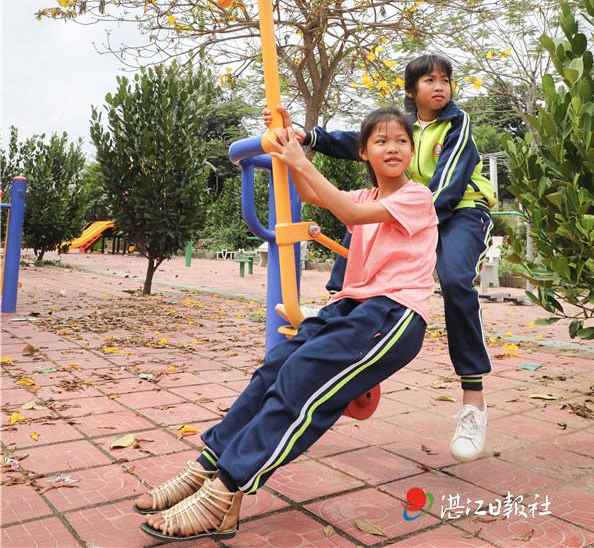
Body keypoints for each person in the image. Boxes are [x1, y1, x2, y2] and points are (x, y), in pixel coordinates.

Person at [137, 106, 438, 541]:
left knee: (301, 384)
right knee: (275, 368)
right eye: (381, 141)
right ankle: (206, 467)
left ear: (412, 150)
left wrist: (299, 157)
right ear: (363, 152)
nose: (393, 148)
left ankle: (224, 491)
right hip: (351, 306)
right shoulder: (365, 196)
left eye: (402, 141)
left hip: (392, 314)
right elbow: (313, 193)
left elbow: (348, 217)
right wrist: (289, 145)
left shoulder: (416, 196)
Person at [264, 53, 495, 463]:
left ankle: (473, 401)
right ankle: (343, 323)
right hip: (406, 208)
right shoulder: (400, 129)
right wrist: (305, 138)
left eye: (445, 80)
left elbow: (445, 188)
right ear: (411, 91)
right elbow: (357, 140)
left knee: (456, 279)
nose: (439, 87)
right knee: (360, 239)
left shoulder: (458, 126)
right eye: (429, 80)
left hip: (457, 209)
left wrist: (410, 218)